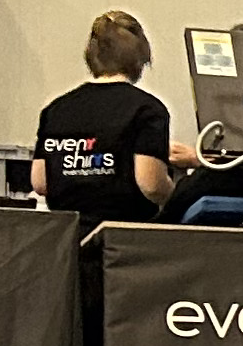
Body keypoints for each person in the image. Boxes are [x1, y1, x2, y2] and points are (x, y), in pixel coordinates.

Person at [32, 12, 172, 219]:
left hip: (68, 231)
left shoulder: (56, 110)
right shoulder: (147, 110)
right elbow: (151, 184)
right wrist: (177, 197)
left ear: (92, 55)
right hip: (123, 231)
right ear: (140, 56)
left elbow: (40, 182)